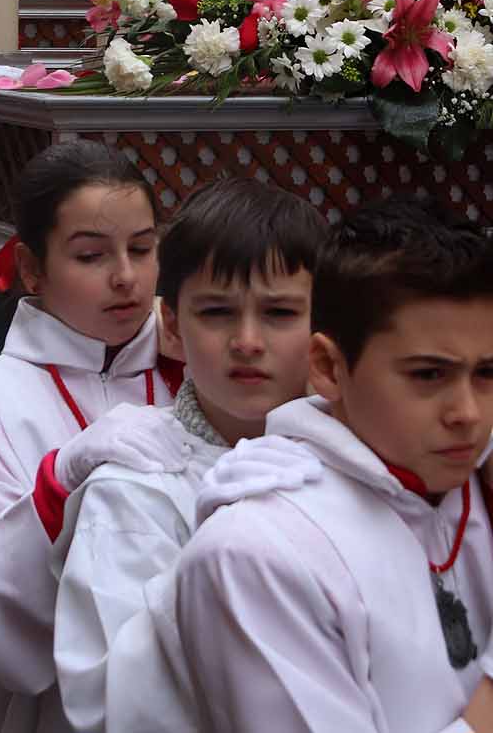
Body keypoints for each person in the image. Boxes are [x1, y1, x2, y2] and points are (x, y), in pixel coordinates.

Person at [176, 198, 493, 733]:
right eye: (428, 375)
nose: (467, 414)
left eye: (487, 373)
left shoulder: (469, 479)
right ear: (327, 367)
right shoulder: (257, 555)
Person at [0, 140, 188, 733]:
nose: (126, 277)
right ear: (33, 269)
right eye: (91, 256)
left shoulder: (200, 361)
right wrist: (56, 486)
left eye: (143, 249)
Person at [51, 177, 323, 733]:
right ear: (171, 327)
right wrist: (223, 554)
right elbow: (102, 702)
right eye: (218, 312)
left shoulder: (361, 463)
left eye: (279, 313)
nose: (247, 340)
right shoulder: (134, 489)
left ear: (324, 332)